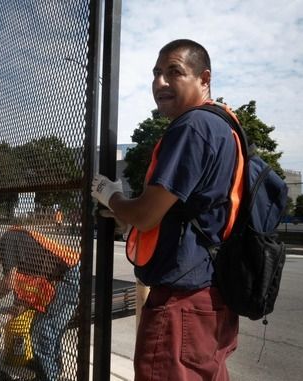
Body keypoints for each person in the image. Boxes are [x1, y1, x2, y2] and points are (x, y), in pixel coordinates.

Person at [91, 39, 239, 380]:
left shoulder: (192, 126)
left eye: (174, 72)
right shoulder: (225, 126)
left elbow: (146, 214)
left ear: (204, 79)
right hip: (212, 295)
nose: (160, 83)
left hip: (181, 300)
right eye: (156, 74)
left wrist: (110, 196)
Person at [0, 226, 80, 381]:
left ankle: (48, 376)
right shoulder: (15, 261)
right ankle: (50, 370)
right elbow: (25, 299)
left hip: (70, 273)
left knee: (43, 332)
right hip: (63, 277)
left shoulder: (9, 240)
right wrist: (5, 318)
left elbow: (8, 284)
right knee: (41, 329)